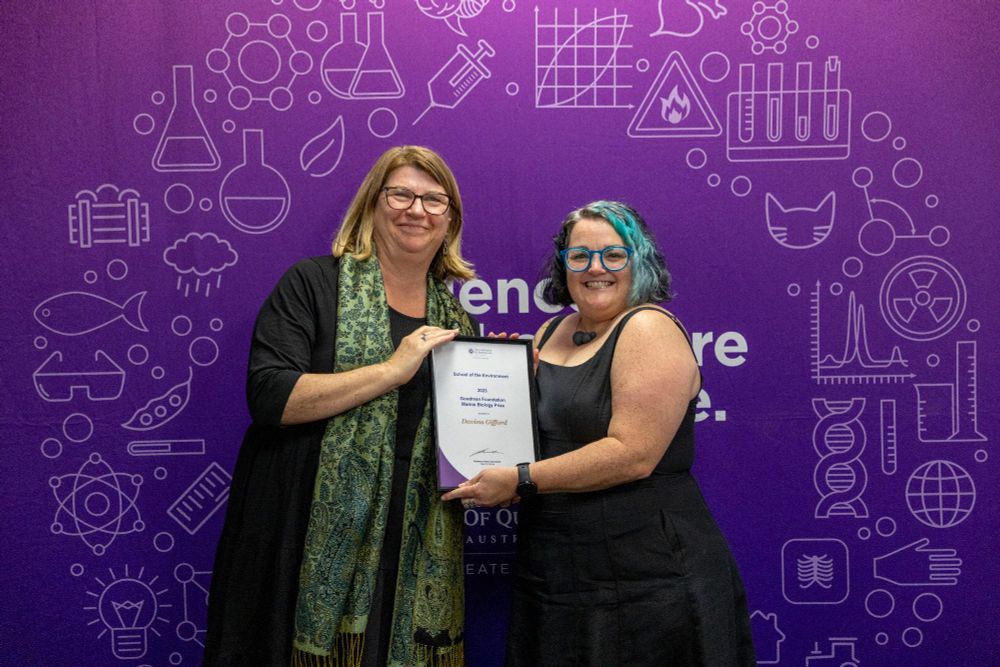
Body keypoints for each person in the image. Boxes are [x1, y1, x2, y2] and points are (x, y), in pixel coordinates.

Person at [443, 201, 756, 666]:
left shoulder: (648, 327)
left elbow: (632, 454)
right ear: (562, 265)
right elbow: (545, 438)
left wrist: (521, 478)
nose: (595, 269)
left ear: (639, 259)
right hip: (557, 571)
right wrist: (508, 390)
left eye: (613, 255)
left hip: (647, 575)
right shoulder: (552, 331)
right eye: (580, 256)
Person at [205, 146, 477, 667]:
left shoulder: (459, 325)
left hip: (411, 537)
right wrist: (392, 371)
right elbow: (271, 396)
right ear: (372, 205)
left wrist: (508, 395)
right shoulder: (312, 285)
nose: (416, 210)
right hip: (300, 531)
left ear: (450, 220)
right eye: (400, 194)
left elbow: (464, 442)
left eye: (434, 200)